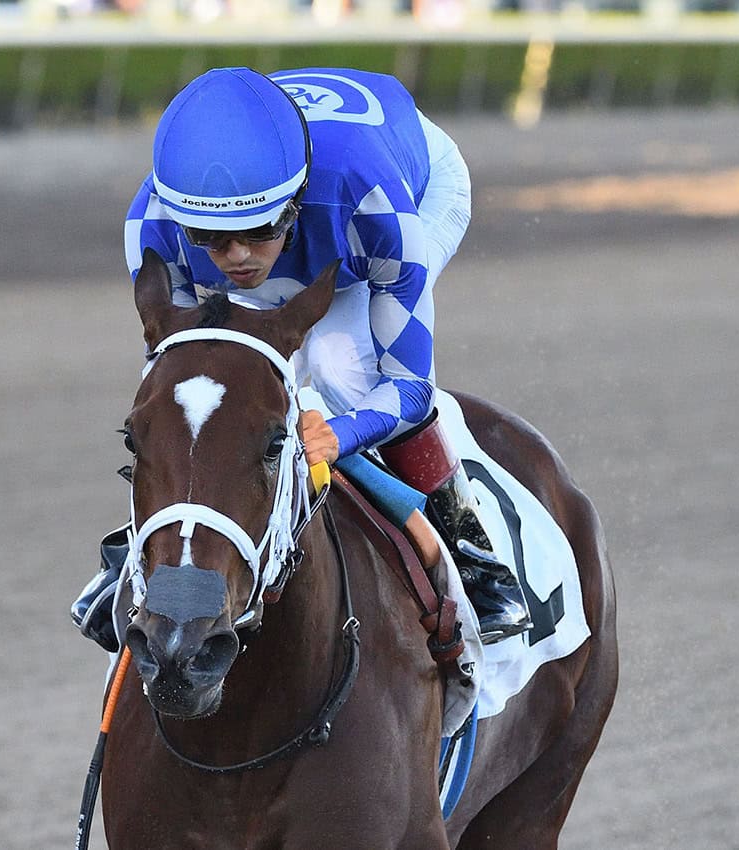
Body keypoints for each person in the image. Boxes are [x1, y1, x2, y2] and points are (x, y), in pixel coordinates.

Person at [72, 66, 531, 650]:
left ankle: (471, 548)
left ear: (288, 209)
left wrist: (338, 436)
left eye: (259, 231)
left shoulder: (371, 204)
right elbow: (177, 390)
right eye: (211, 239)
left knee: (339, 364)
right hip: (311, 203)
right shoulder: (156, 224)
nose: (236, 259)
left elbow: (411, 389)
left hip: (404, 194)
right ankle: (131, 555)